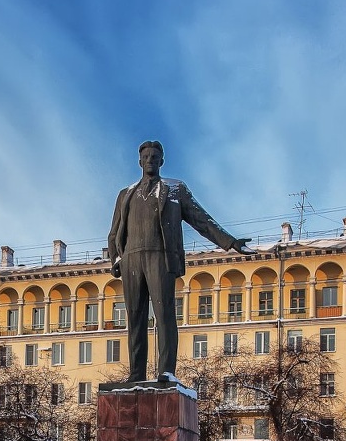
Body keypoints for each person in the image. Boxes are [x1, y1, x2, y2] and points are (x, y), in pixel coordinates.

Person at [106, 141, 255, 382]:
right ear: (140, 161)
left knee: (164, 314)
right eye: (146, 156)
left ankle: (166, 372)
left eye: (155, 156)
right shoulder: (126, 194)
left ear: (162, 161)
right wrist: (116, 258)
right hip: (132, 260)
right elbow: (114, 232)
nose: (150, 159)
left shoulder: (175, 189)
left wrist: (230, 242)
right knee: (134, 318)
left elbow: (201, 220)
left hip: (160, 257)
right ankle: (136, 375)